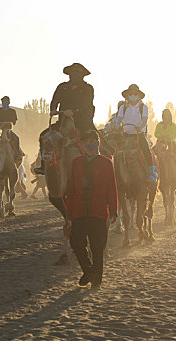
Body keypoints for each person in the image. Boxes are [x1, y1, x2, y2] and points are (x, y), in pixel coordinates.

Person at [65, 130, 118, 289]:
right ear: (83, 144)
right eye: (86, 141)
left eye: (93, 141)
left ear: (98, 143)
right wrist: (69, 211)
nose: (90, 144)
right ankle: (88, 271)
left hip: (99, 211)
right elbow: (71, 187)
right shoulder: (76, 162)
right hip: (79, 211)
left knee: (97, 247)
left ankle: (97, 281)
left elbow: (112, 188)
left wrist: (113, 210)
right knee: (76, 243)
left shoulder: (106, 163)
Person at [34, 63, 95, 174]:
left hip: (83, 122)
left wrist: (74, 112)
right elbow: (55, 100)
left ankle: (93, 165)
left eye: (77, 72)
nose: (74, 75)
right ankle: (44, 164)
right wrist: (53, 109)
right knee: (44, 135)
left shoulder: (88, 88)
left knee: (92, 138)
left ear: (82, 75)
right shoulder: (62, 87)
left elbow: (86, 103)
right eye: (72, 72)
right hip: (63, 122)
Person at [116, 84, 157, 183]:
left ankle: (151, 172)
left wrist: (140, 127)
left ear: (138, 95)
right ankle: (115, 174)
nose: (132, 96)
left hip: (139, 134)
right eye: (130, 94)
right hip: (126, 135)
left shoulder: (143, 107)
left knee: (146, 150)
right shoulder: (123, 107)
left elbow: (144, 120)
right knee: (116, 152)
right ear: (127, 96)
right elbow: (119, 119)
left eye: (135, 94)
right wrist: (117, 126)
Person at [0, 96, 22, 161]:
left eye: (6, 101)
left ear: (8, 102)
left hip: (7, 130)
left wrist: (5, 123)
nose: (4, 103)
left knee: (16, 138)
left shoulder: (12, 111)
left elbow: (13, 122)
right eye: (3, 102)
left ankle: (17, 155)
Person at [154, 109, 176, 175]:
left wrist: (169, 136)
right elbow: (156, 133)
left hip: (170, 142)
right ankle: (152, 168)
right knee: (153, 152)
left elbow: (174, 135)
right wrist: (162, 136)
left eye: (167, 115)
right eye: (164, 115)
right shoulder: (159, 125)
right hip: (160, 142)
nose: (166, 117)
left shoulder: (173, 125)